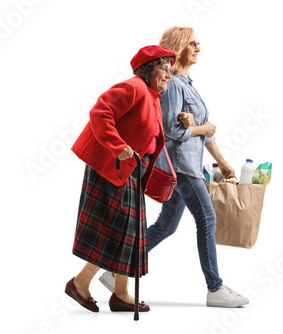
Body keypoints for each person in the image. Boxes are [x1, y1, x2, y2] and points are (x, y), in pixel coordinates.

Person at [100, 27, 249, 308]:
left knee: (166, 226)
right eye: (193, 43)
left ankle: (116, 270)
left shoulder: (188, 84)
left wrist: (224, 161)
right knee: (207, 219)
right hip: (179, 165)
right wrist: (199, 127)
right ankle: (215, 288)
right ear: (179, 47)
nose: (199, 48)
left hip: (190, 163)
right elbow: (169, 130)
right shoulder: (171, 85)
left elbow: (206, 132)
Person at [65, 45, 177, 313]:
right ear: (149, 69)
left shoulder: (151, 95)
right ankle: (79, 283)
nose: (169, 76)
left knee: (131, 233)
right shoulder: (134, 87)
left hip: (131, 169)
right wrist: (117, 146)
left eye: (171, 71)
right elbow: (100, 113)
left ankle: (121, 293)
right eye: (164, 69)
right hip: (113, 165)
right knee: (114, 229)